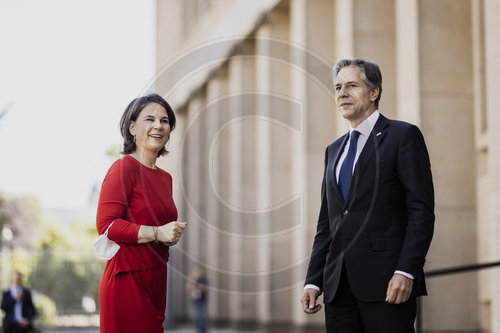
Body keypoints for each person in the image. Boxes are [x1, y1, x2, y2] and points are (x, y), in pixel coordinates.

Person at [300, 59, 434, 332]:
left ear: (374, 92)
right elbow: (327, 223)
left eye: (352, 85)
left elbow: (421, 211)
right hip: (338, 288)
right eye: (338, 87)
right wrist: (313, 280)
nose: (342, 93)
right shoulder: (333, 150)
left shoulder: (403, 136)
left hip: (387, 284)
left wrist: (406, 270)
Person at [97, 93, 188, 333]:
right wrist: (158, 233)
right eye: (150, 119)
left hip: (156, 279)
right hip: (126, 280)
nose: (159, 125)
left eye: (165, 120)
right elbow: (107, 226)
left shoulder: (165, 178)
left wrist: (170, 234)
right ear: (133, 128)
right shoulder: (123, 168)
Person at [186, 268, 208, 333]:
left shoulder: (204, 280)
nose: (197, 274)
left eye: (199, 273)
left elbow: (204, 289)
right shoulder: (194, 280)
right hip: (194, 301)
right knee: (196, 317)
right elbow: (188, 287)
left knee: (201, 317)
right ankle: (199, 330)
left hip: (201, 302)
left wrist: (196, 288)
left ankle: (203, 330)